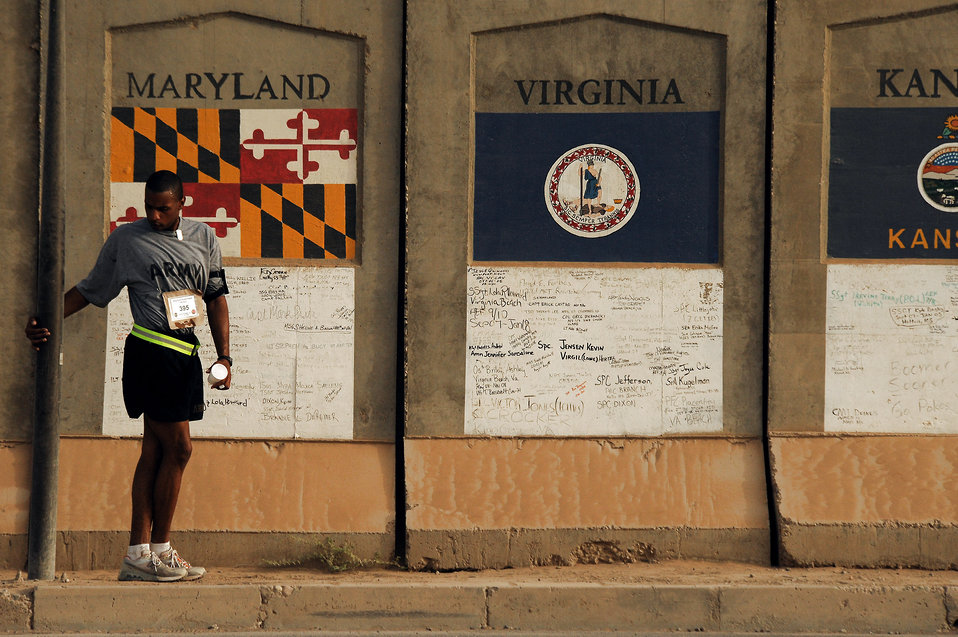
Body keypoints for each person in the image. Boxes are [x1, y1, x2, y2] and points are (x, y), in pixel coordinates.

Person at [25, 170, 231, 582]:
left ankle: (141, 553)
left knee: (155, 451)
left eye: (163, 208)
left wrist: (224, 355)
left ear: (182, 204)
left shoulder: (205, 237)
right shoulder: (127, 240)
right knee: (181, 449)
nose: (154, 215)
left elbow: (215, 298)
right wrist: (45, 318)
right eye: (149, 207)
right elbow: (90, 289)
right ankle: (159, 549)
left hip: (186, 353)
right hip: (151, 352)